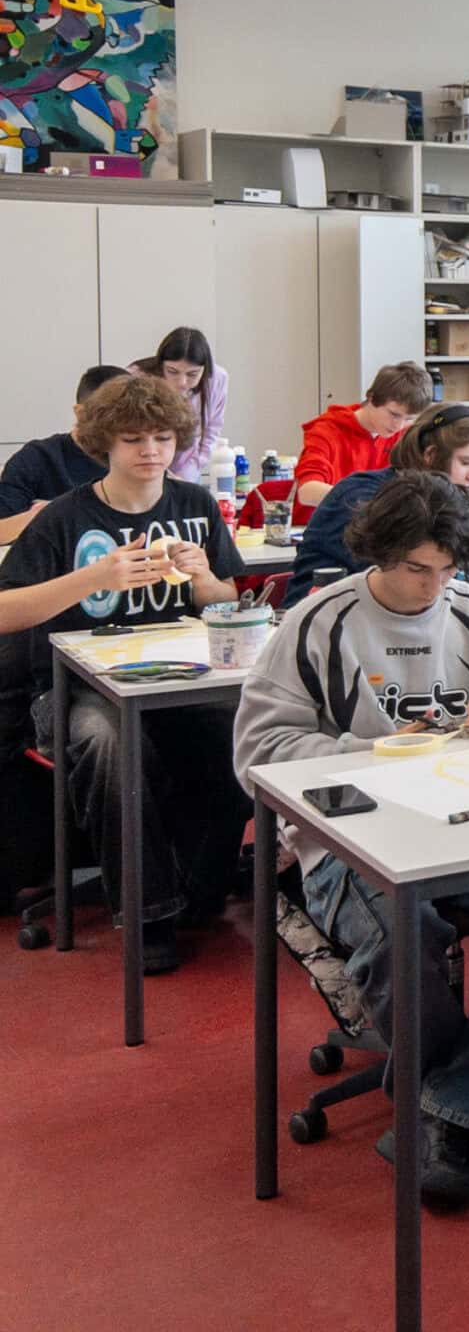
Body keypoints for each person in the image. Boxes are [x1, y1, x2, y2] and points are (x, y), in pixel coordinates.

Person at [232, 474, 469, 1210]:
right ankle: (459, 1115)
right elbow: (257, 754)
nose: (434, 586)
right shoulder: (315, 624)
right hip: (348, 837)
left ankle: (449, 1103)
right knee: (405, 927)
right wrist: (364, 753)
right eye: (416, 569)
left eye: (448, 570)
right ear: (380, 554)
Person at [0, 374, 245, 974]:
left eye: (163, 437)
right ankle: (146, 915)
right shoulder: (63, 517)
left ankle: (200, 888)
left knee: (245, 733)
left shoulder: (194, 505)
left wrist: (202, 579)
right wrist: (93, 579)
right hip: (71, 687)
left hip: (176, 681)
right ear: (104, 443)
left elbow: (226, 599)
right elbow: (5, 611)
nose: (150, 451)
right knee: (108, 743)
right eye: (134, 439)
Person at [286, 405, 469, 607]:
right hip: (325, 618)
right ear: (430, 454)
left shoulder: (441, 502)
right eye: (466, 463)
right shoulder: (363, 496)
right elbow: (399, 578)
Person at [0, 363, 124, 543]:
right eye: (109, 417)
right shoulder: (37, 458)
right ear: (80, 413)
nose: (123, 428)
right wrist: (51, 514)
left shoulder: (140, 458)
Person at [293, 362, 432, 512]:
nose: (398, 426)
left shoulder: (405, 435)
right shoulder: (326, 431)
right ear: (372, 398)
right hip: (322, 525)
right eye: (394, 414)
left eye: (408, 418)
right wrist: (376, 502)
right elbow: (307, 491)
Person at [131, 326, 228, 483]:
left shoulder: (216, 379)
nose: (182, 382)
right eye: (172, 371)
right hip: (146, 463)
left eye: (192, 374)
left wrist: (198, 463)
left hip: (188, 467)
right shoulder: (137, 377)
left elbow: (212, 428)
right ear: (160, 364)